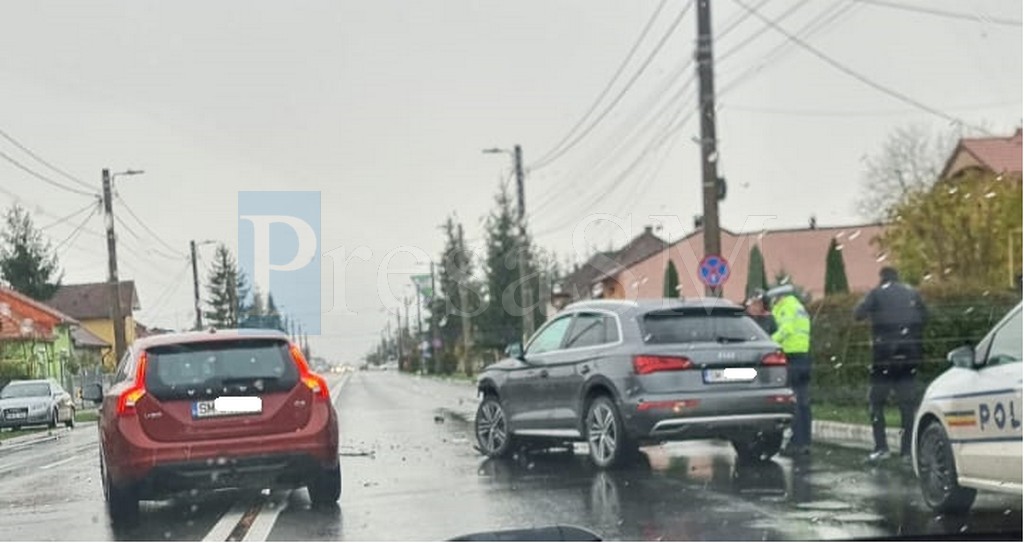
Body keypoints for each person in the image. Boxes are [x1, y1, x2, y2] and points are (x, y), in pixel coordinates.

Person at [854, 266, 928, 463]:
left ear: (882, 278)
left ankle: (881, 447)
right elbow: (925, 317)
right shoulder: (912, 293)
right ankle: (907, 451)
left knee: (876, 402)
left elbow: (858, 313)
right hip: (909, 356)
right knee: (907, 404)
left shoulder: (876, 293)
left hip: (884, 357)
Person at [766, 284, 812, 457]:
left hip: (791, 357)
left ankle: (797, 442)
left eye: (774, 299)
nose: (773, 302)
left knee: (794, 401)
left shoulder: (786, 308)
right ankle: (805, 441)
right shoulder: (799, 307)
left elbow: (786, 330)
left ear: (780, 297)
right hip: (804, 356)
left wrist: (768, 341)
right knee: (803, 401)